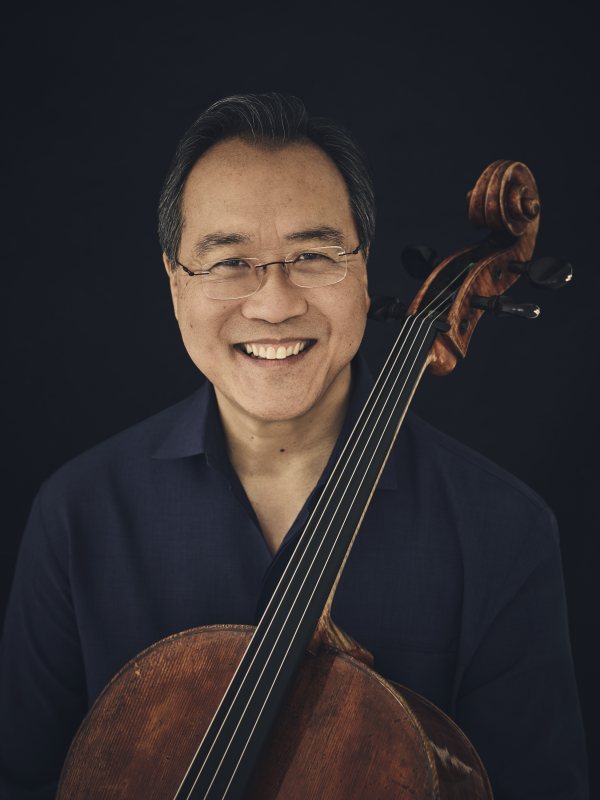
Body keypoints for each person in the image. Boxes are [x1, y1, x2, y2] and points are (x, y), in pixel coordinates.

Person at [0, 93, 588, 799]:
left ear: (364, 269)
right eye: (229, 262)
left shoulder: (504, 533)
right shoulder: (76, 516)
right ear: (173, 282)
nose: (274, 303)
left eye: (313, 255)